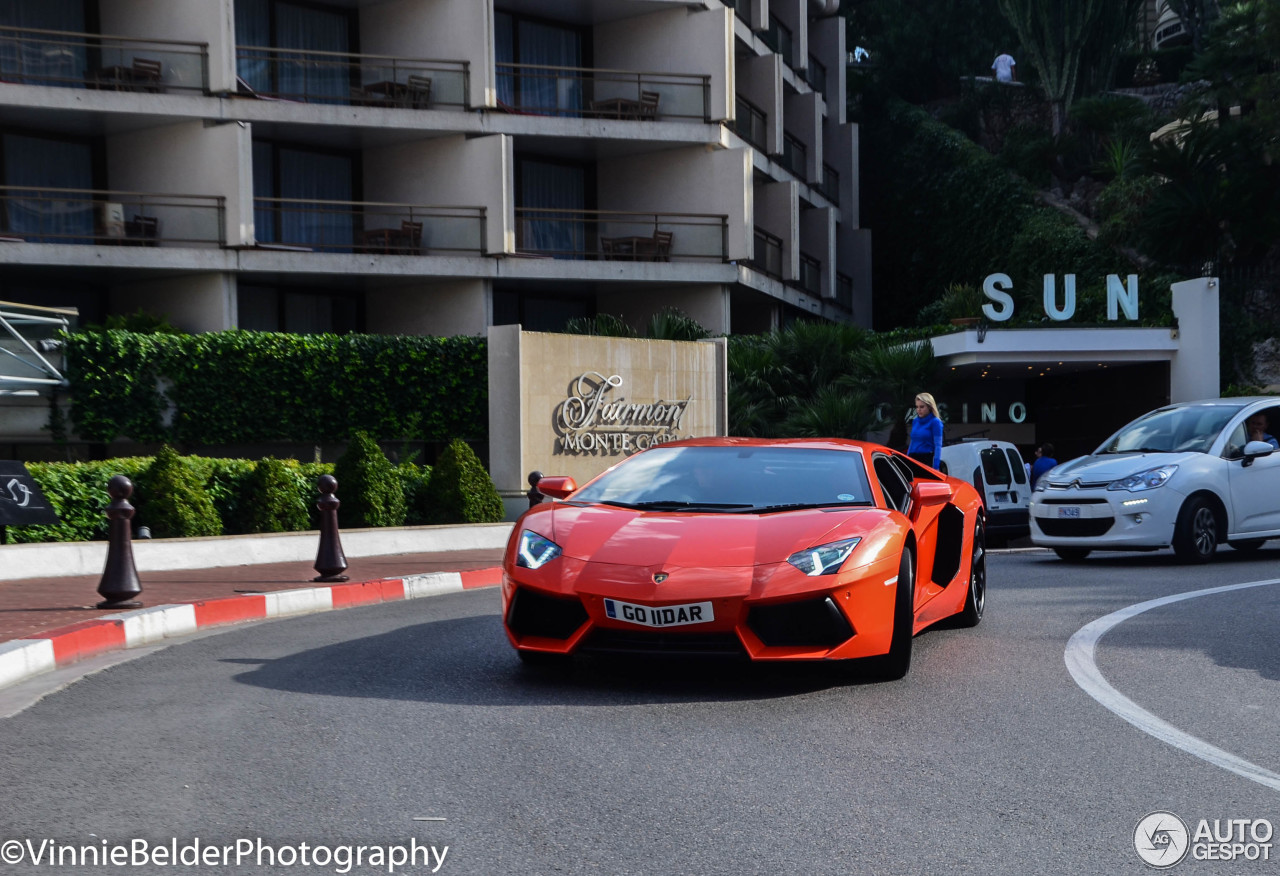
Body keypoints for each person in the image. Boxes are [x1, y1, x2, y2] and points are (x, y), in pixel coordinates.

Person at [907, 392, 943, 470]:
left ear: (929, 407)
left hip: (926, 459)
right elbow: (912, 442)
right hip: (912, 458)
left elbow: (938, 446)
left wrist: (936, 466)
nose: (918, 410)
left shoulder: (935, 422)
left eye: (922, 407)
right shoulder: (915, 421)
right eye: (917, 407)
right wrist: (907, 459)